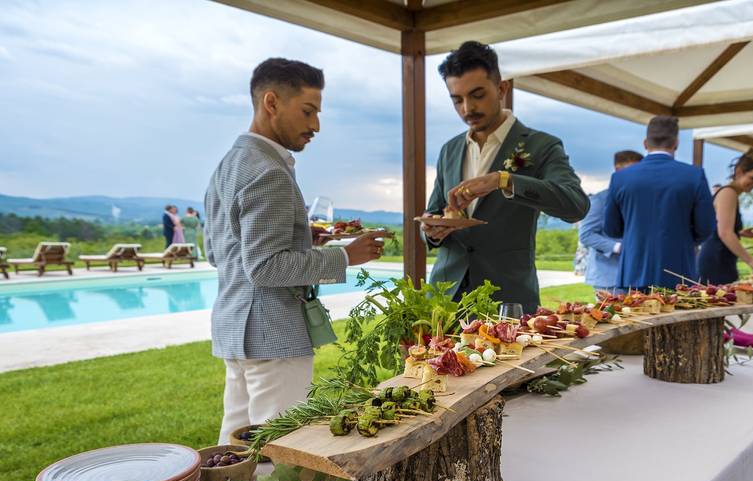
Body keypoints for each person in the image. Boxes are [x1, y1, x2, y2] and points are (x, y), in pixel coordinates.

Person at [204, 57, 388, 443]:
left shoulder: (229, 165)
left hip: (235, 327)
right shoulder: (269, 171)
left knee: (235, 447)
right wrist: (346, 256)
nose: (316, 125)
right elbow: (266, 267)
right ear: (271, 102)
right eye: (308, 111)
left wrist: (302, 240)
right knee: (281, 450)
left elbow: (219, 252)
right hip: (271, 334)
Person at [420, 41, 589, 312]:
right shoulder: (449, 149)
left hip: (508, 301)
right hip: (444, 300)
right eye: (457, 100)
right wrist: (431, 231)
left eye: (477, 95)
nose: (467, 108)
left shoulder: (542, 145)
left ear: (501, 89)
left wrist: (504, 180)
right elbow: (433, 211)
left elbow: (576, 205)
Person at [603, 115, 715, 290]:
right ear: (676, 143)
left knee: (632, 315)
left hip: (632, 273)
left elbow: (611, 228)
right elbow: (706, 228)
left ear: (645, 143)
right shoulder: (694, 176)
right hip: (680, 273)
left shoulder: (620, 178)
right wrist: (682, 238)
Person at [697, 150, 753, 285]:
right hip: (717, 261)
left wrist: (739, 233)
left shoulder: (730, 193)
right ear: (739, 172)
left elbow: (719, 227)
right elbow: (724, 233)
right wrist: (751, 260)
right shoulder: (728, 193)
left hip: (720, 258)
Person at [579, 150, 643, 291]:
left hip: (638, 277)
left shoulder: (642, 200)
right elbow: (586, 235)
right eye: (633, 170)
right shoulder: (600, 200)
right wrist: (619, 248)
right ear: (617, 170)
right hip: (609, 279)